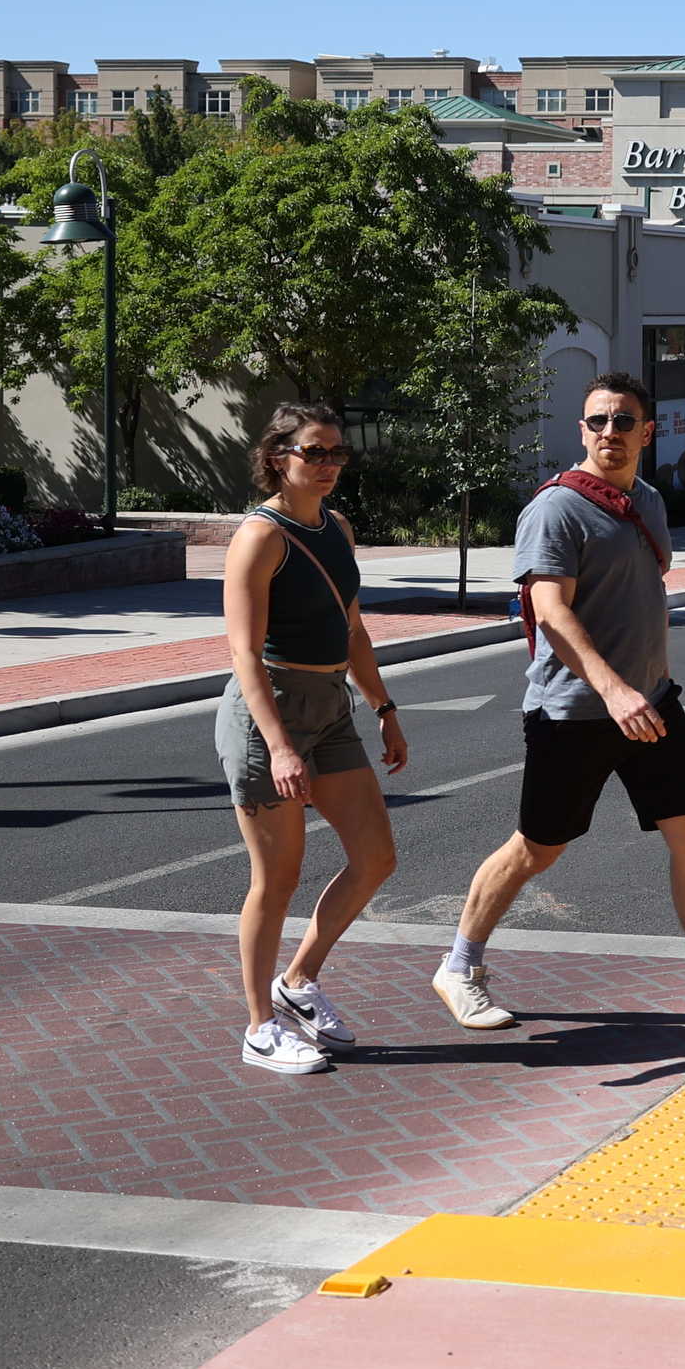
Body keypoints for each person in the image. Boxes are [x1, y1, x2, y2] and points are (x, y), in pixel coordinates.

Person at [432, 372, 685, 1035]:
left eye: (624, 422)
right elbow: (549, 609)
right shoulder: (555, 509)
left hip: (650, 704)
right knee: (537, 849)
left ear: (646, 432)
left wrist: (639, 684)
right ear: (581, 430)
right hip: (574, 712)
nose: (610, 433)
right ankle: (459, 967)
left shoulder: (647, 501)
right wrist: (612, 685)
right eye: (598, 421)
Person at [217, 403, 405, 1075]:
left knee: (376, 854)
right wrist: (280, 746)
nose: (327, 465)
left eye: (337, 454)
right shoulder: (259, 537)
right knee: (277, 877)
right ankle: (260, 1028)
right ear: (278, 457)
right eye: (313, 452)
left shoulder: (337, 527)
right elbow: (242, 653)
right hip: (269, 711)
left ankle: (297, 982)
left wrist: (382, 704)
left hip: (330, 707)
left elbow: (352, 628)